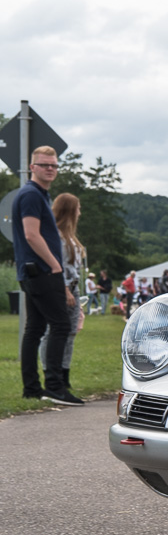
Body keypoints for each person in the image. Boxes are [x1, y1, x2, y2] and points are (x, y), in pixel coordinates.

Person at [11, 146, 83, 405]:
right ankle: (54, 387)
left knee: (35, 329)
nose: (50, 169)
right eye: (44, 165)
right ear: (32, 167)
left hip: (33, 271)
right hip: (41, 271)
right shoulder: (31, 195)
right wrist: (55, 266)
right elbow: (32, 234)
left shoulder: (38, 195)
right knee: (61, 325)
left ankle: (32, 389)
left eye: (53, 165)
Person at [40, 193, 86, 393]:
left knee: (70, 333)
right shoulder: (55, 237)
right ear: (69, 210)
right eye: (78, 208)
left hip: (73, 288)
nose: (80, 212)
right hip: (61, 287)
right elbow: (57, 266)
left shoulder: (71, 238)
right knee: (53, 333)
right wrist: (65, 290)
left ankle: (64, 375)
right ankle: (51, 374)